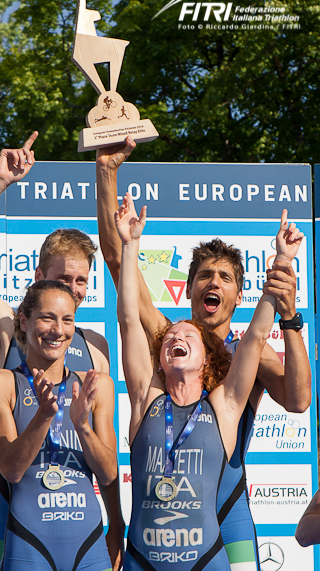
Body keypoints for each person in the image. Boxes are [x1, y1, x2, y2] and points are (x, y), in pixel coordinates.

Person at [96, 138, 311, 570]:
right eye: (205, 275)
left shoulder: (243, 356)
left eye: (226, 277)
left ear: (237, 293)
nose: (214, 281)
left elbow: (299, 400)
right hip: (155, 521)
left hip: (229, 516)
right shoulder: (168, 338)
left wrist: (289, 320)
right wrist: (106, 174)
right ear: (190, 288)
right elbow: (120, 266)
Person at [0, 133, 124, 570]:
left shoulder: (93, 346)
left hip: (82, 528)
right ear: (40, 274)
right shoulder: (7, 325)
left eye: (82, 282)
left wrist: (116, 524)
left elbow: (107, 453)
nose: (74, 291)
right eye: (64, 280)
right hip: (18, 519)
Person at [0, 279, 116, 570]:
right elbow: (12, 470)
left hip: (88, 547)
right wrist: (43, 416)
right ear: (24, 322)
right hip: (27, 546)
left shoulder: (95, 385)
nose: (58, 330)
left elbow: (108, 473)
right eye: (47, 318)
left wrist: (83, 427)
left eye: (67, 320)